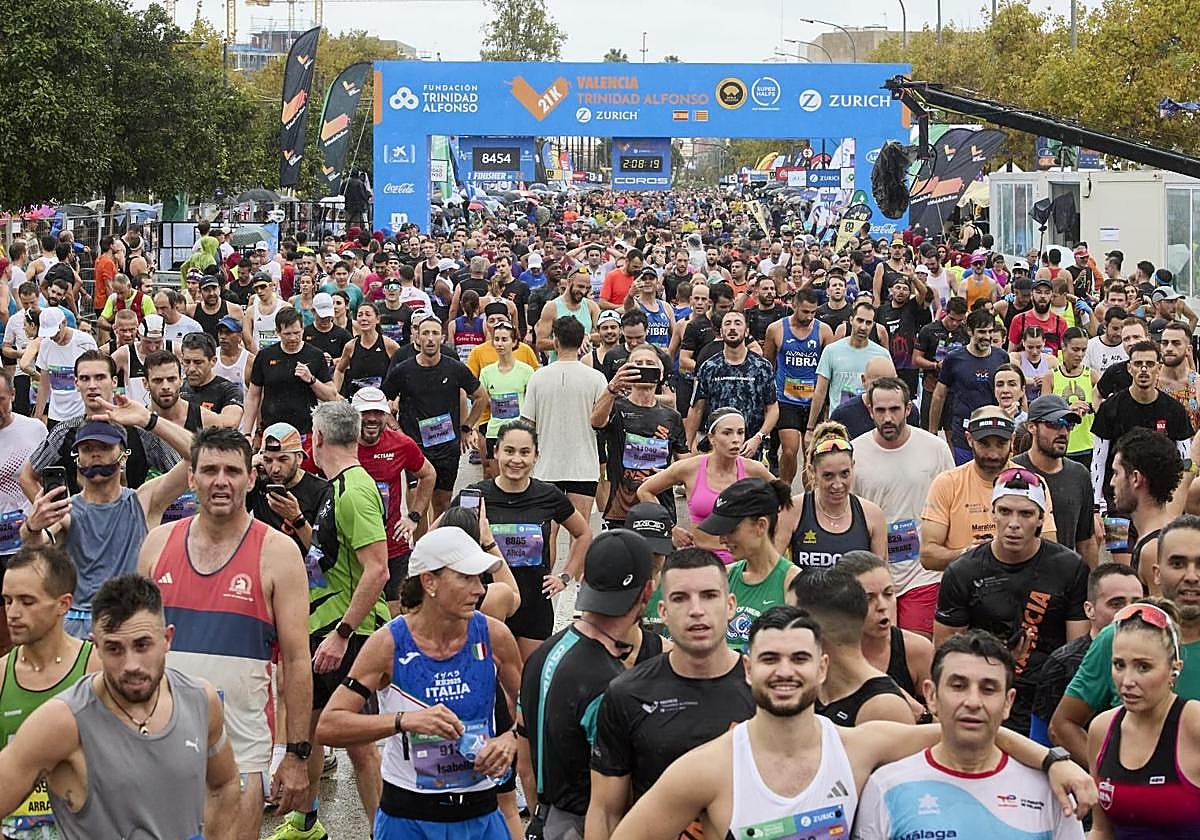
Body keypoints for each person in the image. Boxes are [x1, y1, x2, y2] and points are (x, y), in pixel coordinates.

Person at [609, 606, 1096, 840]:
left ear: (821, 668)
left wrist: (1054, 761)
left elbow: (971, 729)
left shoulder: (862, 747)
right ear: (748, 667)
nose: (785, 671)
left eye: (800, 657)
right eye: (770, 658)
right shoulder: (707, 768)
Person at [137, 427, 313, 838]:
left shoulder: (278, 553)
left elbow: (297, 661)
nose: (221, 481)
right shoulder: (157, 544)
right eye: (210, 470)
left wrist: (297, 755)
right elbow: (134, 648)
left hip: (241, 751)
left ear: (250, 479)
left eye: (232, 471)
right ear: (192, 478)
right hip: (159, 745)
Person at [313, 528, 521, 840]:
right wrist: (404, 721)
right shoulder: (388, 644)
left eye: (480, 579)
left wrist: (511, 738)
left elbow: (530, 704)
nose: (479, 589)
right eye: (466, 578)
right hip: (409, 818)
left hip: (480, 814)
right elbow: (329, 725)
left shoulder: (494, 636)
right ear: (429, 581)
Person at [0, 574, 240, 839]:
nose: (131, 664)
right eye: (114, 649)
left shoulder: (200, 700)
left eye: (142, 645)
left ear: (167, 638)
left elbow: (225, 784)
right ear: (97, 646)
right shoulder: (63, 721)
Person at [274, 401, 390, 840]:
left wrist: (342, 634)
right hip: (322, 627)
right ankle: (306, 822)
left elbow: (377, 570)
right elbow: (328, 557)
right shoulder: (334, 488)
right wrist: (300, 522)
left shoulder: (355, 490)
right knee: (315, 727)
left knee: (357, 744)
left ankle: (384, 831)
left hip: (349, 633)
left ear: (316, 438)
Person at [585, 549, 754, 840]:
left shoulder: (765, 689)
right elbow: (605, 810)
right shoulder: (628, 693)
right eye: (680, 598)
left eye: (709, 595)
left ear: (730, 606)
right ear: (662, 611)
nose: (696, 609)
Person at [855, 629, 1086, 839]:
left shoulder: (1049, 791)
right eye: (958, 686)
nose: (973, 702)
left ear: (1008, 702)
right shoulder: (886, 787)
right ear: (932, 696)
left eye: (988, 689)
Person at [517, 530, 657, 840]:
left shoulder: (541, 653)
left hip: (544, 821)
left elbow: (524, 764)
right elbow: (611, 803)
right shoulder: (613, 683)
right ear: (647, 591)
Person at [934, 467, 1090, 735]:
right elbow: (946, 654)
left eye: (1026, 514)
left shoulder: (1069, 568)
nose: (1014, 523)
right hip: (985, 694)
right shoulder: (963, 571)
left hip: (1048, 700)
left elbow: (1075, 654)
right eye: (1005, 511)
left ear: (1041, 519)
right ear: (992, 513)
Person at [19, 406, 193, 638]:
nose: (95, 454)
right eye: (87, 448)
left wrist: (148, 420)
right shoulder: (66, 510)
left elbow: (199, 456)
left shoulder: (143, 501)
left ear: (123, 455)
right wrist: (33, 526)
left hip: (131, 625)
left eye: (104, 447)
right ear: (77, 457)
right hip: (79, 633)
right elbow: (35, 545)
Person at [459, 420, 592, 659]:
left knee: (526, 682)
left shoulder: (548, 495)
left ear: (536, 456)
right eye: (509, 451)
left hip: (535, 606)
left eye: (524, 452)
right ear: (496, 451)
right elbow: (438, 538)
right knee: (491, 680)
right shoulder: (475, 495)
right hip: (489, 604)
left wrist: (565, 576)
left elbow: (583, 534)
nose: (516, 460)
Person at [0, 544, 100, 837]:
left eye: (27, 602)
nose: (13, 613)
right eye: (7, 601)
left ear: (63, 604)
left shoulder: (96, 669)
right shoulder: (2, 674)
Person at [850, 377, 956, 636]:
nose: (888, 418)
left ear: (908, 409)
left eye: (895, 410)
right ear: (870, 410)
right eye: (881, 410)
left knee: (916, 650)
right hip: (874, 575)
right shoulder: (854, 453)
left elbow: (952, 506)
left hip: (923, 575)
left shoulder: (935, 449)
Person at [1087, 600, 1200, 838]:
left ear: (1174, 670)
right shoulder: (1102, 728)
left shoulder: (1194, 724)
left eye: (1143, 667)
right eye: (1119, 665)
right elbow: (1100, 829)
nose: (1127, 680)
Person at [921, 407, 1059, 573]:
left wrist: (1007, 553)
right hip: (965, 590)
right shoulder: (947, 484)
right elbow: (928, 555)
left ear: (1012, 440)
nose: (993, 454)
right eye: (984, 444)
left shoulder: (1033, 483)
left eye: (1001, 444)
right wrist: (969, 555)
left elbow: (1049, 550)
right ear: (969, 439)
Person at [382, 314, 488, 517]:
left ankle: (438, 544)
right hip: (415, 447)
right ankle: (419, 546)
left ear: (442, 338)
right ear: (417, 338)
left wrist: (467, 427)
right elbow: (381, 402)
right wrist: (397, 430)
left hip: (447, 447)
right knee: (417, 503)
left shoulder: (455, 368)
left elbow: (481, 397)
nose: (430, 338)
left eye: (435, 333)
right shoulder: (403, 371)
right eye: (425, 333)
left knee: (442, 502)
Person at [637, 408, 773, 564]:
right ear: (712, 438)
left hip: (743, 563)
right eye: (727, 433)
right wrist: (670, 528)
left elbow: (784, 500)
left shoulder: (754, 469)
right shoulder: (690, 468)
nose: (736, 439)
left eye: (740, 432)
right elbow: (645, 491)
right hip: (702, 561)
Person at [1029, 563, 1143, 746]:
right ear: (1089, 609)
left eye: (1137, 604)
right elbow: (1042, 738)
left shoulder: (1157, 654)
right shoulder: (1062, 663)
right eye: (1116, 604)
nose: (1128, 612)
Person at [522, 316, 608, 558]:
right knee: (580, 533)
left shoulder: (538, 377)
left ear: (556, 342)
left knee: (547, 532)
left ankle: (546, 584)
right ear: (582, 341)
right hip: (583, 467)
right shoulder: (596, 378)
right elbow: (601, 421)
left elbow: (527, 423)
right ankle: (574, 587)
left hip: (546, 468)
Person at [788, 566, 915, 725]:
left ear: (817, 629)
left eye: (792, 618)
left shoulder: (882, 708)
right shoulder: (810, 688)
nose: (786, 627)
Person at [353, 387, 435, 616]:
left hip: (393, 546)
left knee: (396, 616)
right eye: (364, 413)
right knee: (358, 616)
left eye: (378, 413)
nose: (371, 419)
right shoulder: (339, 443)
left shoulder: (401, 443)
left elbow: (428, 474)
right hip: (352, 547)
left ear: (387, 415)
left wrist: (414, 516)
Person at [1091, 341, 1192, 525]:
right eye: (1138, 364)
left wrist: (1178, 502)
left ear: (1159, 368)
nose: (1144, 369)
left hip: (1159, 501)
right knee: (1123, 552)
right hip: (1118, 501)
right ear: (1129, 368)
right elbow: (1098, 459)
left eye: (1150, 364)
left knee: (1154, 552)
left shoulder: (1175, 410)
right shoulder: (1110, 408)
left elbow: (1185, 462)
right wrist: (1096, 506)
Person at [694, 477, 800, 650]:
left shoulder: (793, 584)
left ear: (761, 525)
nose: (722, 539)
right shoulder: (724, 576)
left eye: (731, 530)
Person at [591, 344, 687, 529]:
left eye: (649, 363)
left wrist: (671, 475)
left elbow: (685, 464)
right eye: (637, 364)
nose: (643, 367)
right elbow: (596, 421)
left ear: (660, 374)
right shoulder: (615, 407)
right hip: (620, 512)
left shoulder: (672, 417)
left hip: (660, 510)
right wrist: (612, 387)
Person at [775, 421, 888, 568]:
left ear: (853, 466)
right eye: (828, 476)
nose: (838, 484)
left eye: (845, 474)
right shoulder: (793, 510)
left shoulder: (872, 515)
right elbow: (770, 569)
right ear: (813, 471)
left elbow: (881, 579)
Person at [837, 550, 934, 711]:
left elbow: (945, 726)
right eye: (869, 598)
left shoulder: (917, 651)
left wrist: (919, 713)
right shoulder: (826, 653)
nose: (882, 606)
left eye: (888, 594)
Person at [1015, 394, 1098, 566]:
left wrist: (1091, 588)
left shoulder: (1079, 474)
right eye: (1054, 424)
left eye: (1068, 425)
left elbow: (1086, 542)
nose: (1063, 432)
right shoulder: (1013, 471)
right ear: (1032, 427)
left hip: (1062, 581)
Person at [761, 288, 834, 484]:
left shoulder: (824, 331)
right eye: (805, 311)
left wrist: (826, 404)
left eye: (813, 312)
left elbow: (828, 370)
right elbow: (767, 365)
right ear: (794, 305)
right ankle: (785, 490)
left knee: (811, 453)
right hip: (786, 399)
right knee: (790, 450)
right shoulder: (776, 329)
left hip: (813, 402)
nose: (809, 316)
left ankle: (809, 498)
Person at [687, 309, 777, 455]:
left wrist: (759, 437)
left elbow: (773, 409)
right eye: (727, 324)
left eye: (738, 323)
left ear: (747, 331)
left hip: (750, 448)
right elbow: (696, 409)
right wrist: (688, 445)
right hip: (717, 448)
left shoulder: (762, 367)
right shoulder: (709, 367)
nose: (733, 328)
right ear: (721, 332)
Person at [929, 308, 1010, 464]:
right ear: (969, 331)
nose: (986, 337)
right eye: (981, 332)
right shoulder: (954, 358)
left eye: (990, 332)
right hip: (963, 432)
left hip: (993, 432)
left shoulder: (1002, 357)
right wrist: (933, 431)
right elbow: (939, 395)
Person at [242, 307, 337, 440]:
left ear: (303, 329)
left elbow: (332, 396)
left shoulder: (315, 355)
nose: (293, 338)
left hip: (305, 431)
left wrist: (311, 380)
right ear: (277, 332)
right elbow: (253, 395)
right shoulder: (265, 356)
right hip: (272, 431)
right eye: (287, 334)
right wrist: (247, 433)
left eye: (297, 333)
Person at [248, 422, 329, 558]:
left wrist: (297, 519)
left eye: (283, 459)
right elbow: (226, 521)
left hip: (304, 570)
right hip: (264, 566)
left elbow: (323, 554)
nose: (275, 469)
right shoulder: (257, 484)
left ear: (299, 458)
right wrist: (246, 471)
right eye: (268, 460)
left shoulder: (321, 491)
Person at [808, 300, 891, 425]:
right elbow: (820, 391)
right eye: (860, 320)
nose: (863, 327)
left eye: (868, 323)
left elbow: (891, 392)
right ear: (851, 320)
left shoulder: (882, 355)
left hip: (870, 425)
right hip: (838, 423)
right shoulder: (831, 350)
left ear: (873, 325)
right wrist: (810, 427)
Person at [1043, 326, 1097, 470]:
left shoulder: (1091, 375)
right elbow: (1043, 413)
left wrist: (1090, 407)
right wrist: (1066, 410)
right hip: (1059, 445)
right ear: (1063, 346)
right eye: (1075, 349)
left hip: (1087, 445)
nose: (1080, 354)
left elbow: (1104, 404)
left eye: (1084, 350)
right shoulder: (1051, 376)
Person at [830, 355, 922, 439]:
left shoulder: (908, 411)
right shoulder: (843, 415)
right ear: (863, 380)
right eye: (877, 385)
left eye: (890, 384)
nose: (883, 391)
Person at [32, 308, 96, 426]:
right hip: (55, 414)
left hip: (81, 413)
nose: (53, 338)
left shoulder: (85, 342)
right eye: (49, 335)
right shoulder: (46, 345)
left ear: (64, 323)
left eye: (56, 333)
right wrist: (38, 417)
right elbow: (44, 384)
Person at [333, 303, 400, 399]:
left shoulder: (389, 345)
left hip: (381, 401)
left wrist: (396, 398)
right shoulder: (350, 346)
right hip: (357, 401)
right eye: (360, 315)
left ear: (377, 319)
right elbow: (339, 370)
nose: (364, 318)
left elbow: (401, 372)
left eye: (368, 315)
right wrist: (336, 394)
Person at [178, 330, 243, 426]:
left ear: (213, 361)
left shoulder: (228, 390)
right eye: (187, 362)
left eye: (198, 362)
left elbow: (230, 424)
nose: (191, 369)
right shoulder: (177, 388)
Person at [244, 272, 290, 353]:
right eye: (256, 288)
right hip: (259, 355)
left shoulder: (285, 307)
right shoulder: (251, 311)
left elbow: (291, 333)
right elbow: (248, 340)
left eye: (262, 287)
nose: (259, 291)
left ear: (271, 285)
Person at [301, 293, 353, 365]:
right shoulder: (304, 333)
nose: (325, 319)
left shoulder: (343, 334)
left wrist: (333, 361)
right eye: (322, 317)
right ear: (313, 311)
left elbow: (353, 356)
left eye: (328, 316)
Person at [214, 316, 254, 399]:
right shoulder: (211, 356)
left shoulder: (250, 361)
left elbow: (255, 396)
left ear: (239, 336)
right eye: (220, 332)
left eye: (228, 332)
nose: (223, 337)